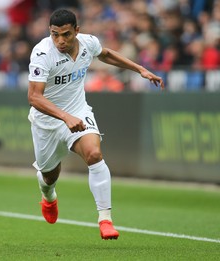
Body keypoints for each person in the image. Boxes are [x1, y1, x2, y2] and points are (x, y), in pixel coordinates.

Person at [28, 9, 164, 240]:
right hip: (47, 120)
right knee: (49, 175)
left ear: (77, 31)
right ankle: (48, 195)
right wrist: (64, 117)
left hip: (78, 111)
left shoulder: (88, 43)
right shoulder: (42, 53)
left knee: (93, 154)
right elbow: (34, 97)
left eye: (66, 35)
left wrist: (140, 69)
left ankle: (105, 220)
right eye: (55, 35)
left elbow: (106, 54)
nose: (60, 40)